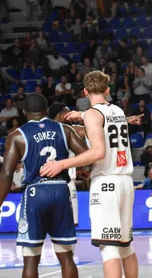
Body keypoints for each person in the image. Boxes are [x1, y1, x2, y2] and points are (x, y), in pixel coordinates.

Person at [40, 71, 139, 278]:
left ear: (85, 92)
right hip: (126, 181)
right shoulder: (119, 111)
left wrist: (62, 164)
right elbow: (101, 122)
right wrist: (82, 115)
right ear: (108, 90)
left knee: (109, 249)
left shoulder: (93, 114)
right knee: (125, 247)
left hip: (106, 183)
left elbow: (98, 152)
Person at [0, 93, 88, 278]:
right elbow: (87, 155)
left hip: (35, 192)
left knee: (31, 258)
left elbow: (7, 174)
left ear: (24, 112)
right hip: (61, 190)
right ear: (47, 111)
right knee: (66, 256)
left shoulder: (17, 136)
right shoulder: (64, 130)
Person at [47, 103, 86, 228]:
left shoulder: (39, 130)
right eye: (67, 112)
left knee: (50, 227)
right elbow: (95, 128)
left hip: (44, 184)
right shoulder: (70, 130)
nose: (70, 114)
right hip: (66, 183)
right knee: (68, 227)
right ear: (59, 115)